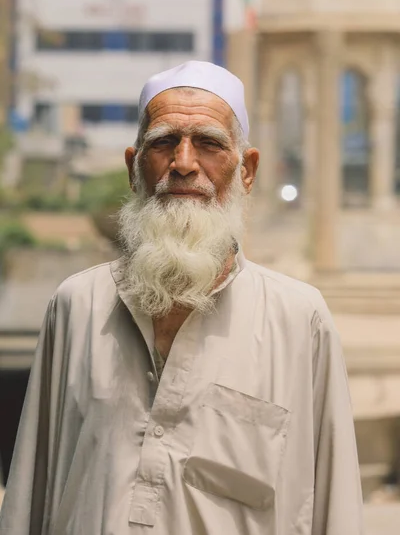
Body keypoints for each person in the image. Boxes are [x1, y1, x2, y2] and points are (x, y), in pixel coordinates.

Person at [0, 61, 363, 534]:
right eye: (164, 143)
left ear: (247, 170)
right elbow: (30, 495)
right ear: (134, 167)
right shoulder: (78, 306)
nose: (185, 163)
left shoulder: (298, 319)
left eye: (209, 144)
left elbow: (336, 507)